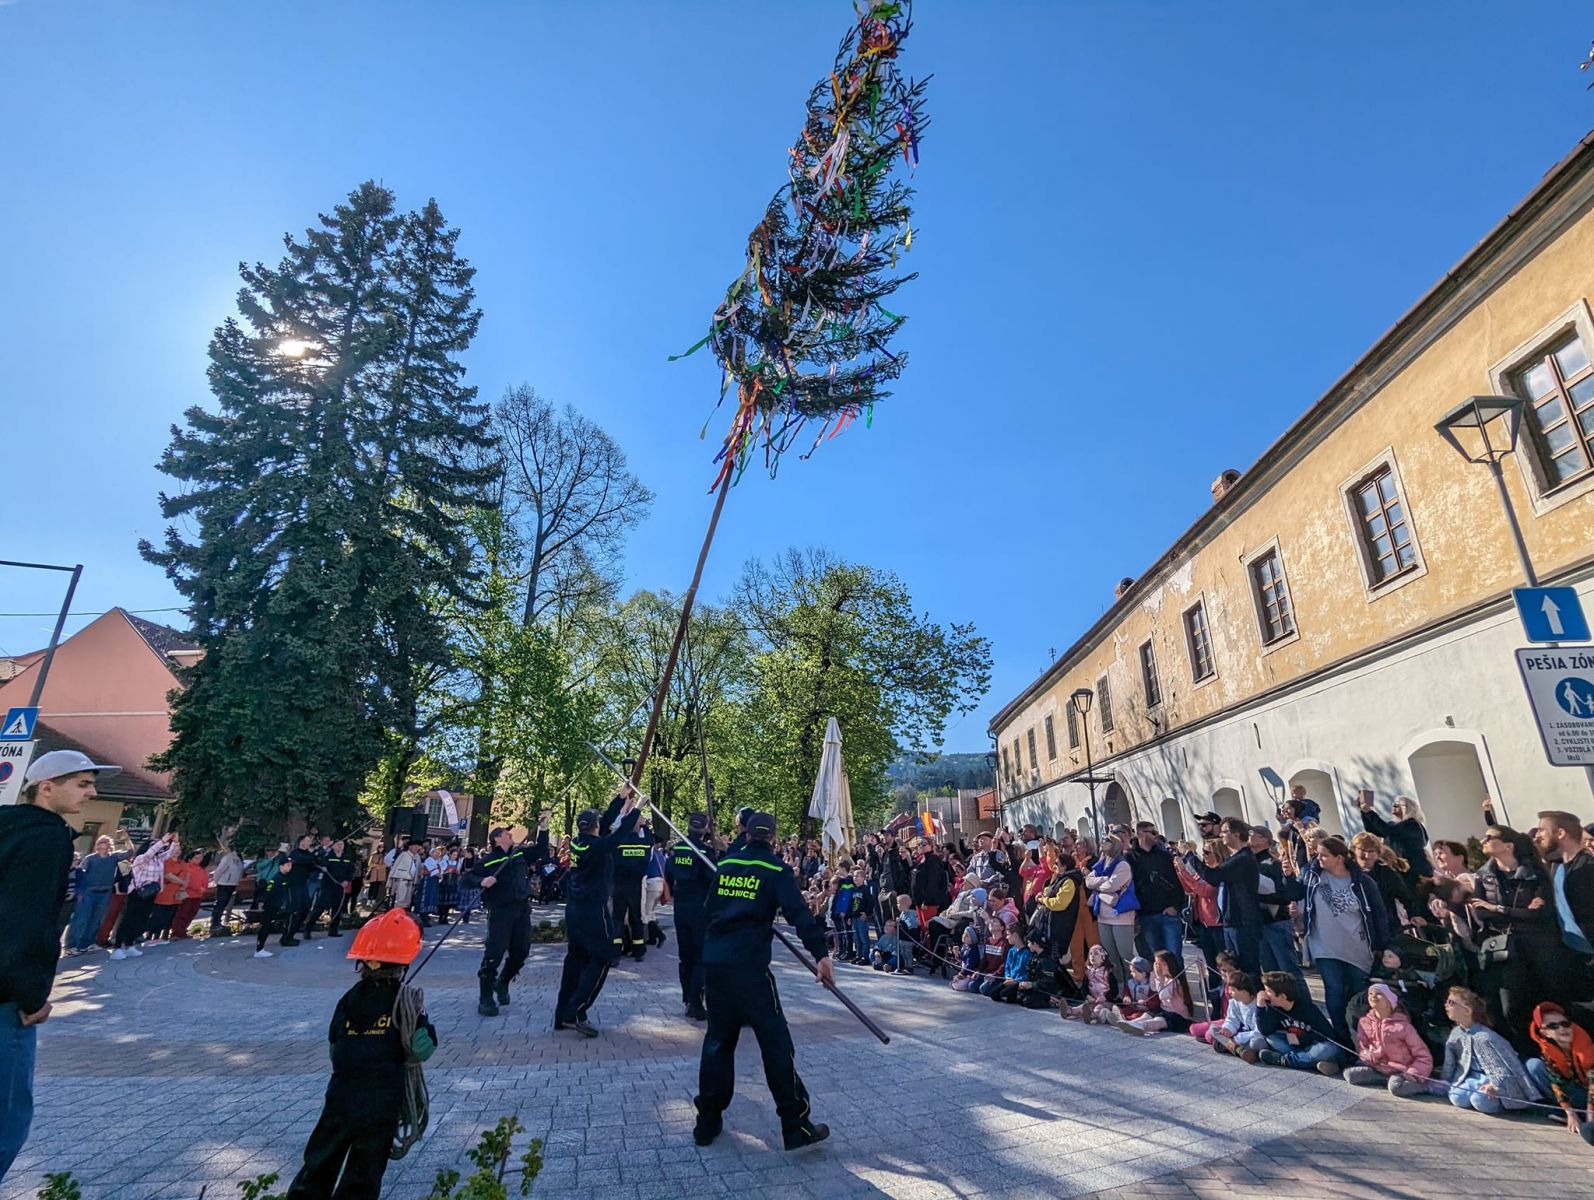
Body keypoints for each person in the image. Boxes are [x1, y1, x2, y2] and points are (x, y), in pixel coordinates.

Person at [0, 749, 119, 1183]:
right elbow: (26, 921)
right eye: (82, 783)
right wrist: (32, 996)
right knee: (7, 1121)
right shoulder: (47, 838)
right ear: (46, 788)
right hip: (7, 999)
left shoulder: (8, 828)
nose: (92, 792)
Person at [692, 811, 833, 1152]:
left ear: (745, 832)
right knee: (776, 1044)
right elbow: (799, 914)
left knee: (717, 1043)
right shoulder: (775, 870)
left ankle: (707, 1120)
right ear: (772, 836)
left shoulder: (726, 865)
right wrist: (821, 955)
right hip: (750, 972)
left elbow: (710, 909)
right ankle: (794, 1123)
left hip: (716, 965)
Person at [286, 909, 437, 1200]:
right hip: (382, 1100)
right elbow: (421, 1048)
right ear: (405, 961)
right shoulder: (407, 1002)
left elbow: (334, 1047)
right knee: (364, 1173)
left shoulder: (348, 1000)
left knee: (319, 1162)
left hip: (341, 1096)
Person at [1284, 833, 1391, 1047]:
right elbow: (1294, 892)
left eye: (1324, 855)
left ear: (1339, 857)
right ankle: (1342, 1040)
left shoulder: (1362, 882)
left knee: (1358, 992)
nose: (1319, 859)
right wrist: (1287, 875)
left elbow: (1378, 913)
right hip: (1324, 944)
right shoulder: (1312, 875)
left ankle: (1367, 1038)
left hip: (1357, 945)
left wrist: (1383, 945)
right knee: (1333, 991)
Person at [1471, 823, 1568, 1053]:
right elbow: (1481, 912)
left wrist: (1500, 909)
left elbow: (1541, 914)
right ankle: (1530, 1055)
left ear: (1508, 845)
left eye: (1489, 837)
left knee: (1549, 1004)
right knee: (1512, 1009)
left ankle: (1559, 1055)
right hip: (1507, 953)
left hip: (1539, 949)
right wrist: (1519, 912)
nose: (1483, 840)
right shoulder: (1484, 876)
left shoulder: (1534, 872)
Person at [555, 788, 642, 1036]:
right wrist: (636, 808)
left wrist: (620, 797)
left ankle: (562, 1014)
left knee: (575, 960)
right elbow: (622, 833)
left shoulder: (579, 843)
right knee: (603, 956)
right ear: (596, 827)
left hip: (573, 910)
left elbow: (605, 822)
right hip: (593, 911)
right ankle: (576, 1010)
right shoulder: (599, 846)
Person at [466, 814, 550, 1017]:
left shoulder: (519, 854)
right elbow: (467, 878)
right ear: (497, 838)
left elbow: (540, 850)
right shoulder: (488, 860)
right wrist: (482, 881)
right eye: (506, 833)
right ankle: (485, 997)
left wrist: (544, 827)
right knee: (494, 954)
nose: (511, 834)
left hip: (521, 909)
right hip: (500, 912)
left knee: (521, 951)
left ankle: (502, 982)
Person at [1434, 987, 1538, 1114]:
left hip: (1488, 1079)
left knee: (1481, 1100)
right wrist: (1445, 1080)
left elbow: (1502, 1066)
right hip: (1470, 1078)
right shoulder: (1456, 1034)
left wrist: (1496, 1085)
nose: (1446, 1005)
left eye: (1451, 1003)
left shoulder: (1485, 1037)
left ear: (1467, 1010)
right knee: (1457, 1096)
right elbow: (1451, 1062)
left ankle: (1502, 1104)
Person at [1187, 817, 1262, 975]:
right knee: (1233, 967)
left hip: (1242, 920)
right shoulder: (1234, 858)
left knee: (1247, 968)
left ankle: (1252, 998)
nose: (1221, 835)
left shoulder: (1243, 858)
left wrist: (1190, 856)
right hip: (1230, 920)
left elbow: (1213, 876)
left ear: (1236, 834)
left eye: (1225, 832)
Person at [667, 813, 718, 1021]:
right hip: (699, 908)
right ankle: (696, 1003)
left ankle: (687, 998)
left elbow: (669, 872)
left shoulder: (678, 849)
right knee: (700, 957)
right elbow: (713, 878)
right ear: (705, 829)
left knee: (685, 956)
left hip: (681, 906)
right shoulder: (705, 852)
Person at [1344, 982, 1432, 1097]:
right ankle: (1385, 1079)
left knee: (1396, 1088)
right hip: (1377, 1068)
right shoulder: (1364, 1022)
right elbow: (1362, 1048)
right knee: (1350, 1075)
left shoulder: (1403, 1026)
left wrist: (1414, 1073)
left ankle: (1423, 1086)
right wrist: (1370, 1056)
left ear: (1390, 1001)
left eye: (1379, 994)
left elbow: (1423, 1055)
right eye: (1370, 993)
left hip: (1402, 1071)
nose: (1373, 996)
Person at [1525, 1002, 1594, 1142]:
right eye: (1553, 1026)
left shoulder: (1585, 1044)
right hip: (1576, 1090)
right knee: (1533, 1067)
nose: (1562, 1028)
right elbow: (1556, 1082)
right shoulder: (1547, 1049)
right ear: (1545, 1032)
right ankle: (1566, 1114)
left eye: (1565, 1023)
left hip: (1588, 1093)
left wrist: (1590, 1117)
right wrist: (1570, 1113)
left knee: (1588, 1128)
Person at [1255, 971, 1342, 1074]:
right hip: (1295, 1048)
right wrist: (1260, 1007)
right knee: (1272, 1038)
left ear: (1282, 996)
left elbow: (1328, 1035)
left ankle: (1285, 1060)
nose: (1265, 994)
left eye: (1268, 991)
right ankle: (1312, 1063)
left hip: (1312, 1045)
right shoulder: (1274, 1008)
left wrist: (1301, 1039)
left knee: (1329, 1049)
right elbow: (1265, 1031)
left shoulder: (1308, 1009)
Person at [1084, 834, 1139, 993]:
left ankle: (1133, 989)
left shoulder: (1122, 865)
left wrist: (1099, 884)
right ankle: (1120, 989)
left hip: (1120, 916)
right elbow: (1089, 881)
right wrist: (1103, 880)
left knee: (1125, 956)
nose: (1102, 842)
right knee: (1111, 957)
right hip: (1103, 915)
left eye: (1106, 840)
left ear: (1115, 844)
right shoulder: (1100, 864)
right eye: (1102, 839)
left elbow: (1112, 885)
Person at [1128, 822, 1185, 969]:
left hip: (1168, 913)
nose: (1156, 835)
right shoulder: (1130, 858)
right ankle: (1162, 990)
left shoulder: (1163, 856)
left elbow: (1176, 883)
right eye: (1152, 832)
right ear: (1140, 834)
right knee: (1157, 959)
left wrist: (1176, 906)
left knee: (1174, 956)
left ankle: (1180, 989)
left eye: (1156, 832)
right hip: (1146, 915)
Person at [65, 831, 133, 955]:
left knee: (96, 920)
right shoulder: (89, 858)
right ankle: (71, 946)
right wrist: (79, 893)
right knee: (81, 920)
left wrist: (126, 840)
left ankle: (87, 944)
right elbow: (80, 874)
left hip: (105, 893)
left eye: (105, 843)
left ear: (109, 845)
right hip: (88, 892)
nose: (102, 845)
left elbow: (130, 852)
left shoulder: (113, 857)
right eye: (100, 843)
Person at [112, 833, 179, 957]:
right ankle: (117, 947)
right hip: (137, 893)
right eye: (154, 845)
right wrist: (163, 840)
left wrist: (175, 842)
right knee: (128, 919)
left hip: (150, 893)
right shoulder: (141, 858)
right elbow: (149, 853)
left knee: (140, 920)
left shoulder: (158, 860)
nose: (158, 848)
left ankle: (129, 944)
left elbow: (170, 853)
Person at [1356, 792, 1433, 886]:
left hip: (1414, 869)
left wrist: (1369, 811)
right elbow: (1374, 831)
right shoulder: (1394, 825)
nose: (1393, 807)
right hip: (1400, 868)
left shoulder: (1412, 825)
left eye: (1397, 805)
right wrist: (1363, 812)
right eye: (1393, 805)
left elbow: (1386, 830)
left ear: (1407, 808)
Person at [612, 816, 651, 961]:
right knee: (636, 918)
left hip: (619, 885)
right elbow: (650, 838)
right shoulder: (644, 844)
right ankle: (639, 951)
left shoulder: (618, 843)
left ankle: (615, 952)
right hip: (635, 886)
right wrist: (644, 825)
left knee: (617, 919)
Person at [210, 842, 245, 935]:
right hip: (224, 883)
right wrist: (216, 881)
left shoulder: (239, 858)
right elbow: (219, 870)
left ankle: (218, 922)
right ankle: (215, 923)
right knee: (220, 903)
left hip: (232, 884)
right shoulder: (228, 858)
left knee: (225, 903)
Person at [642, 836, 669, 949]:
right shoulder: (660, 855)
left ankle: (659, 935)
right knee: (651, 912)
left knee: (646, 914)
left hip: (651, 884)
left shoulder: (650, 852)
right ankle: (652, 939)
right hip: (659, 884)